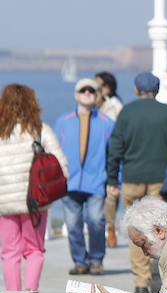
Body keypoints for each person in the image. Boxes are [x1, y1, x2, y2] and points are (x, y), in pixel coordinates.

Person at [106, 71, 167, 293]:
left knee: (136, 229)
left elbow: (115, 148)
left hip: (131, 179)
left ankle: (140, 281)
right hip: (160, 182)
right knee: (160, 229)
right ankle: (159, 273)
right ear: (157, 89)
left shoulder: (126, 113)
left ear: (136, 90)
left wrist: (112, 178)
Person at [0, 84, 68, 292]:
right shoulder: (40, 130)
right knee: (35, 251)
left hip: (4, 203)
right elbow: (61, 166)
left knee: (9, 253)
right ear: (32, 104)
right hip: (36, 202)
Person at [54, 78, 115, 276]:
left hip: (96, 182)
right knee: (73, 224)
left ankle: (96, 260)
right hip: (69, 182)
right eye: (83, 90)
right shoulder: (63, 121)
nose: (87, 93)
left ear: (97, 95)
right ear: (76, 94)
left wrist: (115, 181)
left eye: (91, 90)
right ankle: (80, 261)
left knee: (96, 220)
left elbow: (115, 155)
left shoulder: (107, 123)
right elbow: (54, 152)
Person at [95, 71, 122, 248]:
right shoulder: (92, 105)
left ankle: (110, 226)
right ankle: (102, 227)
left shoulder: (114, 106)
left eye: (100, 86)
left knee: (111, 193)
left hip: (111, 154)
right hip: (96, 155)